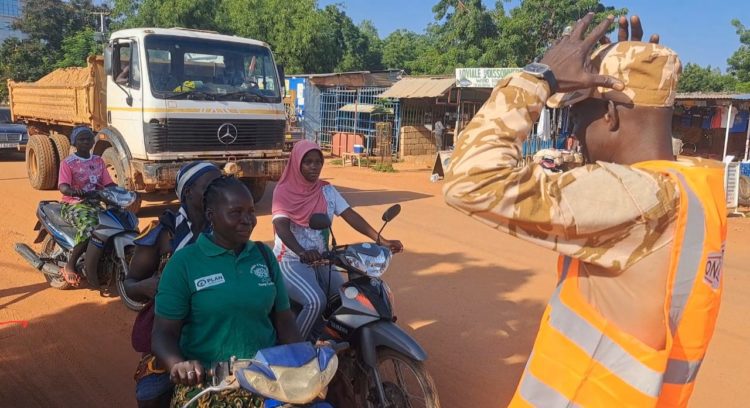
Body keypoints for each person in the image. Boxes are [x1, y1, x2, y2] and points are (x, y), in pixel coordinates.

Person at [443, 14, 726, 407]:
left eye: (576, 117)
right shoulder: (693, 190)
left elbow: (469, 180)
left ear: (610, 114)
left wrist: (537, 77)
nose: (573, 133)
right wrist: (634, 65)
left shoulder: (636, 199)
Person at [152, 176, 302, 406]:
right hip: (209, 385)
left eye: (251, 212)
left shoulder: (263, 255)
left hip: (268, 382)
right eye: (235, 212)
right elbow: (163, 333)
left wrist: (302, 359)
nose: (248, 220)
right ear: (211, 215)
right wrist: (180, 365)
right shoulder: (184, 263)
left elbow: (285, 320)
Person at [272, 140, 403, 340]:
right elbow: (281, 227)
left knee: (347, 298)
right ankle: (294, 348)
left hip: (323, 259)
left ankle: (332, 341)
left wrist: (381, 240)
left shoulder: (327, 191)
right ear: (297, 163)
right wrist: (301, 252)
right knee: (315, 301)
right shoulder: (283, 191)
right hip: (291, 259)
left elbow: (350, 215)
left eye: (318, 162)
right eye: (308, 162)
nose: (314, 166)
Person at [126, 162, 221, 408]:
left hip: (216, 326)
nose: (218, 190)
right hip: (169, 329)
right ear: (188, 191)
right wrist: (145, 286)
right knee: (150, 396)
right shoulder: (163, 233)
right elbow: (129, 284)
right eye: (210, 186)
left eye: (220, 183)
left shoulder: (226, 230)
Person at [57, 126, 117, 286]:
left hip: (95, 203)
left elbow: (108, 183)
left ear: (93, 141)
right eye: (81, 139)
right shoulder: (68, 163)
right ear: (74, 142)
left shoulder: (98, 161)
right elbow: (63, 186)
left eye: (88, 139)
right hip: (74, 204)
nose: (85, 142)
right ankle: (70, 264)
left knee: (114, 223)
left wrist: (123, 191)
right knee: (91, 227)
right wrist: (74, 191)